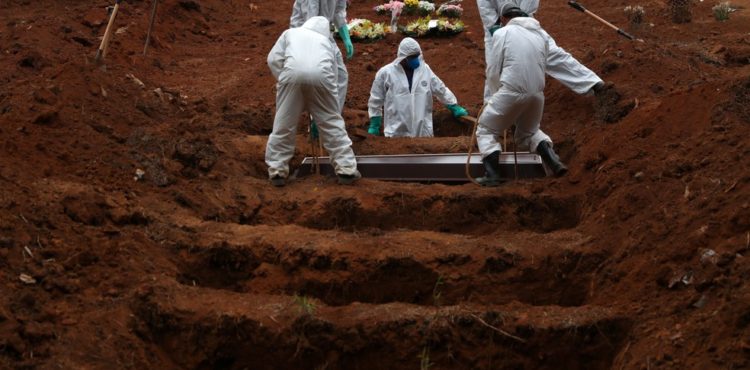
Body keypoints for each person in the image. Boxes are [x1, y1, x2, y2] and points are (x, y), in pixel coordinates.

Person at [475, 4, 567, 186]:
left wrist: (495, 98)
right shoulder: (540, 35)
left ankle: (492, 175)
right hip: (537, 95)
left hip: (511, 91)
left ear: (503, 19)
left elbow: (493, 72)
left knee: (485, 130)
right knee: (529, 132)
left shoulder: (502, 34)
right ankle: (554, 162)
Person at [266, 16, 360, 187]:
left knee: (283, 124)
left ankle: (277, 170)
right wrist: (329, 107)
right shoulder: (327, 43)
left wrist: (285, 80)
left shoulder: (290, 33)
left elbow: (272, 59)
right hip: (322, 79)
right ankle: (347, 169)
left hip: (291, 75)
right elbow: (336, 74)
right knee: (332, 123)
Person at [476, 0, 605, 104]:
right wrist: (496, 28)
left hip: (526, 22)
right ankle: (491, 108)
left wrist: (518, 22)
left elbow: (528, 7)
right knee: (495, 68)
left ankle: (592, 83)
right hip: (497, 30)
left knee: (552, 53)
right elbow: (486, 11)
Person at [367, 37, 469, 137]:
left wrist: (453, 105)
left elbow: (440, 88)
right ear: (403, 57)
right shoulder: (386, 73)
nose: (415, 60)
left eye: (417, 56)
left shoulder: (424, 70)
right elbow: (376, 98)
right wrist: (375, 123)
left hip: (423, 133)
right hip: (396, 133)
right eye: (412, 57)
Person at [290, 0, 353, 114]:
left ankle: (331, 116)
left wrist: (345, 36)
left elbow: (339, 10)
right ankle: (319, 117)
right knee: (319, 76)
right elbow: (311, 19)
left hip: (325, 33)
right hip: (305, 35)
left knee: (341, 76)